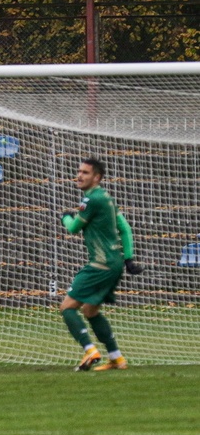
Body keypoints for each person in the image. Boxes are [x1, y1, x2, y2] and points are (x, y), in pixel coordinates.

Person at [60, 158, 144, 372]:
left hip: (100, 264)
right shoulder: (107, 198)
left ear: (97, 177)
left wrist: (66, 217)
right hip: (114, 262)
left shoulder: (91, 201)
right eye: (78, 171)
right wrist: (129, 258)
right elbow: (124, 228)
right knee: (90, 310)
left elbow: (73, 228)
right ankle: (116, 358)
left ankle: (90, 350)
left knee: (67, 307)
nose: (79, 176)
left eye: (85, 173)